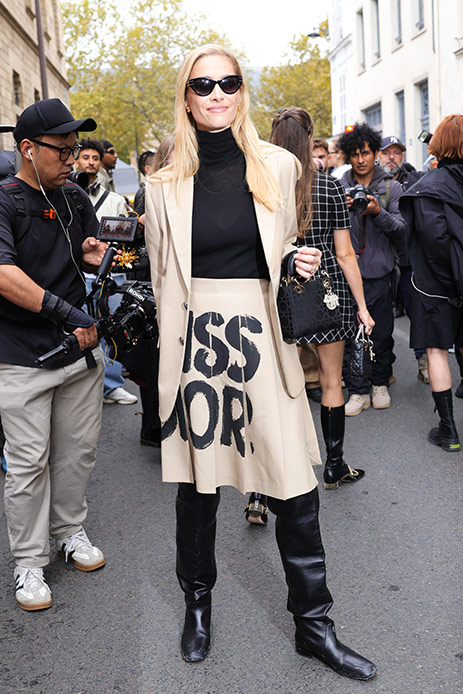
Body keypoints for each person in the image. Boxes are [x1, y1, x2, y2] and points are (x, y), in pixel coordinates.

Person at [144, 43, 377, 680]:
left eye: (229, 82)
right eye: (203, 85)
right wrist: (168, 369)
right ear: (186, 97)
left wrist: (293, 263)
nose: (217, 93)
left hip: (262, 337)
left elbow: (277, 252)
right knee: (198, 490)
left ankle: (314, 625)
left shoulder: (278, 166)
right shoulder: (161, 183)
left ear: (243, 90)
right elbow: (165, 278)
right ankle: (197, 605)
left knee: (296, 488)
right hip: (197, 340)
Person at [0, 98, 108, 611]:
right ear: (27, 148)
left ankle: (70, 532)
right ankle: (28, 563)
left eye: (75, 148)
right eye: (62, 149)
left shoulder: (75, 198)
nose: (73, 158)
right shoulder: (4, 200)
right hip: (20, 357)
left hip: (79, 357)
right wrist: (70, 314)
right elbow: (3, 275)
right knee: (28, 463)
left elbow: (84, 260)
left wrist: (96, 259)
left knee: (78, 453)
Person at [270, 107, 374, 489]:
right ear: (309, 137)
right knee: (332, 382)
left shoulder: (263, 185)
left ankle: (264, 490)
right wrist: (362, 307)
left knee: (279, 389)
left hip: (282, 296)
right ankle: (334, 466)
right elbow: (346, 254)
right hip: (330, 295)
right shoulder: (329, 186)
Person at [399, 114, 463, 452]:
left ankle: (448, 429)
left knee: (437, 350)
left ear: (438, 144)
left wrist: (450, 283)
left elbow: (434, 241)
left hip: (436, 284)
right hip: (456, 280)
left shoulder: (428, 187)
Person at [339, 123, 406, 415]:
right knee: (352, 335)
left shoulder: (392, 187)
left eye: (365, 153)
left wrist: (377, 211)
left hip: (381, 274)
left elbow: (402, 231)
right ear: (348, 157)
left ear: (375, 153)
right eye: (354, 154)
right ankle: (357, 390)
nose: (361, 159)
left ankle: (379, 384)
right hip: (348, 275)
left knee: (381, 334)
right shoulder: (338, 186)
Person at [75, 138, 137, 406]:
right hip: (76, 275)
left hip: (110, 276)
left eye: (94, 158)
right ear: (76, 160)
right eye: (85, 157)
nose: (90, 162)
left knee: (111, 330)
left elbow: (126, 236)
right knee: (78, 332)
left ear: (101, 164)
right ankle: (82, 389)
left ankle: (112, 386)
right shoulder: (64, 195)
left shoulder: (115, 200)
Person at [377, 136, 428, 383]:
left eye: (397, 153)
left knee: (416, 311)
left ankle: (424, 361)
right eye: (387, 153)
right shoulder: (372, 181)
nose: (392, 158)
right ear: (378, 155)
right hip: (381, 260)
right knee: (381, 317)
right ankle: (385, 367)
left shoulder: (416, 180)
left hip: (409, 260)